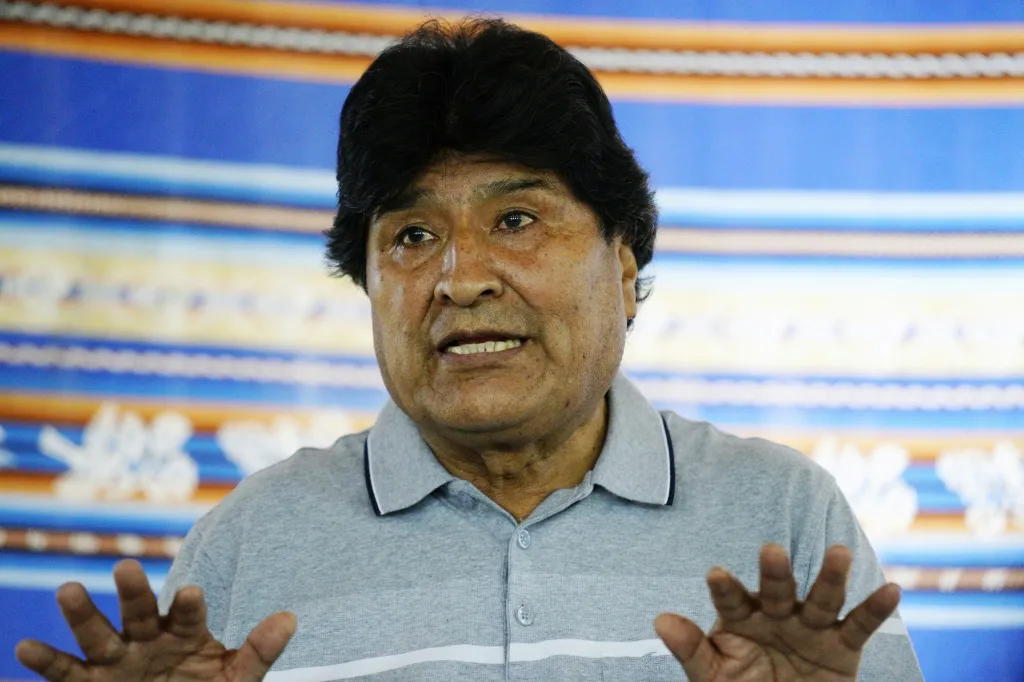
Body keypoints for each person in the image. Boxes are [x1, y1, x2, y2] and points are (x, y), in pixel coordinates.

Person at [14, 18, 924, 682]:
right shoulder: (252, 540)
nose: (461, 279)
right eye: (412, 236)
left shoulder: (780, 514)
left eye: (516, 220)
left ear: (623, 265)